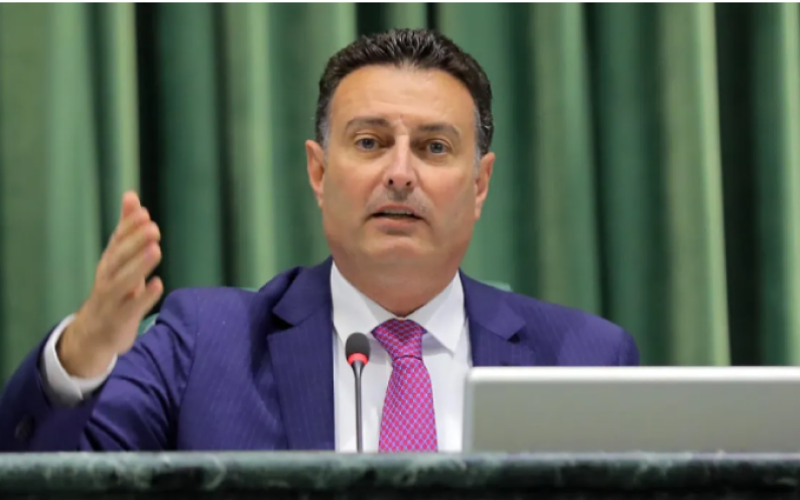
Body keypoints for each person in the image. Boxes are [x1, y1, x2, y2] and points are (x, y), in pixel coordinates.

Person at [0, 28, 638, 453]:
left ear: (479, 184)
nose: (400, 172)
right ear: (318, 171)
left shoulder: (584, 360)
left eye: (434, 147)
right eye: (370, 142)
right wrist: (80, 356)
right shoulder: (204, 346)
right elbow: (43, 475)